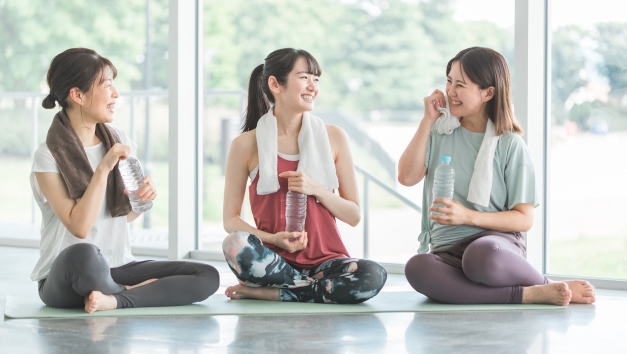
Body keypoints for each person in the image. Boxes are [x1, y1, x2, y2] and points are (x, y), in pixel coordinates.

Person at [398, 47, 596, 306]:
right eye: (448, 81)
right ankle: (531, 293)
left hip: (494, 246)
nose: (450, 91)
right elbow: (406, 177)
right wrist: (427, 120)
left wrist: (468, 216)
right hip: (447, 252)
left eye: (461, 84)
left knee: (480, 257)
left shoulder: (510, 144)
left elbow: (524, 219)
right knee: (417, 268)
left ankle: (543, 285)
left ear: (488, 93)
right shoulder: (438, 131)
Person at [31, 48, 219, 313]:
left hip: (118, 265)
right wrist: (103, 168)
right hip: (66, 276)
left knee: (207, 275)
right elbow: (80, 227)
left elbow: (121, 217)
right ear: (78, 95)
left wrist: (141, 200)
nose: (115, 94)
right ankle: (130, 294)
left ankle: (113, 299)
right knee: (84, 254)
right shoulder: (47, 156)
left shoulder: (119, 139)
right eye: (106, 85)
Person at [221, 48, 387, 303]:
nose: (313, 86)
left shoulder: (334, 137)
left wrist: (316, 188)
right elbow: (230, 219)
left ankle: (277, 294)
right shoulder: (245, 144)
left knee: (373, 275)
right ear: (275, 84)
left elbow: (353, 215)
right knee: (235, 244)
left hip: (327, 263)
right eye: (304, 77)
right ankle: (311, 290)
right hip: (274, 264)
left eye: (316, 79)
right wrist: (273, 239)